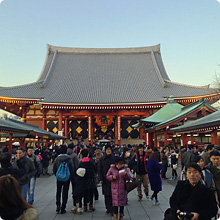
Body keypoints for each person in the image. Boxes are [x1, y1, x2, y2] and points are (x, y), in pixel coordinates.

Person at [53, 145, 74, 214]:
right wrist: (70, 176)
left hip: (59, 178)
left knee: (58, 191)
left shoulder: (57, 159)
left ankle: (58, 205)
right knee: (65, 192)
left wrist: (57, 174)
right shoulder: (69, 159)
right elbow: (72, 168)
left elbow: (54, 168)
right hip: (67, 178)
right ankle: (63, 207)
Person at [98, 144, 115, 215]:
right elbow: (99, 169)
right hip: (105, 178)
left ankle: (112, 208)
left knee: (112, 194)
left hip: (113, 178)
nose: (109, 151)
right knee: (106, 194)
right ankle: (108, 207)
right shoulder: (102, 159)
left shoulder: (113, 158)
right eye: (107, 149)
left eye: (110, 149)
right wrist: (100, 178)